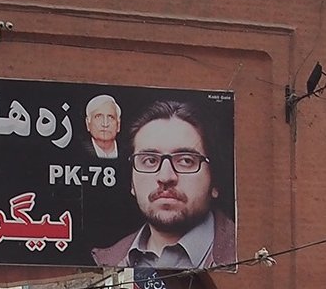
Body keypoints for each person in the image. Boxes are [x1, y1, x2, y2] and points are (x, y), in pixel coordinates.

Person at [91, 97, 238, 271]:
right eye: (150, 160)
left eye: (185, 160)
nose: (165, 177)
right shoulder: (105, 262)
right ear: (132, 182)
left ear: (215, 181)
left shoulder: (248, 253)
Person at [84, 94, 122, 159]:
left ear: (118, 125)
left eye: (111, 117)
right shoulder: (79, 152)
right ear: (88, 123)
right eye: (98, 117)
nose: (105, 124)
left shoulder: (129, 152)